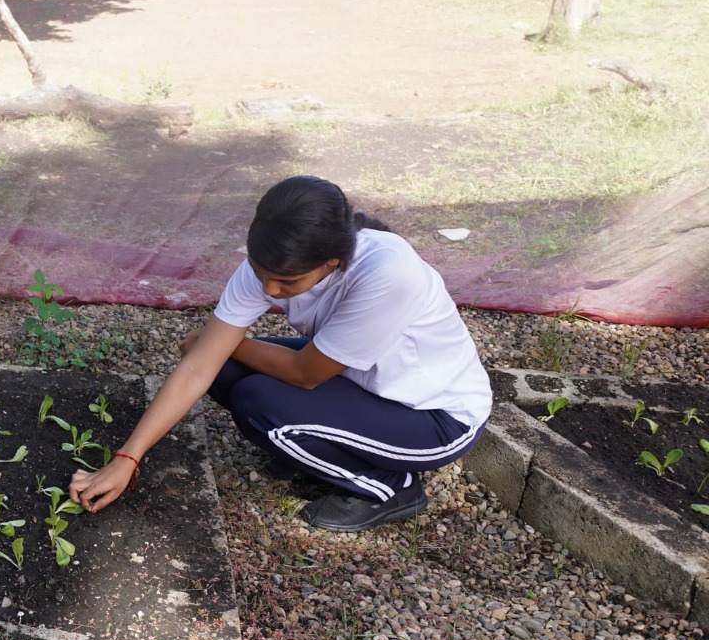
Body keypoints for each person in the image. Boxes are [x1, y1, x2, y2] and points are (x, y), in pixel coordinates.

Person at [71, 176, 491, 533]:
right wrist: (127, 458)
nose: (270, 290)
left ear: (332, 262)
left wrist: (221, 341)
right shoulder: (273, 258)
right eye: (259, 273)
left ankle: (391, 486)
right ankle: (320, 452)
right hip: (355, 380)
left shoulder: (389, 273)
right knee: (221, 367)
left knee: (261, 402)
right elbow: (199, 365)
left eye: (287, 282)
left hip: (433, 418)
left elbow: (305, 373)